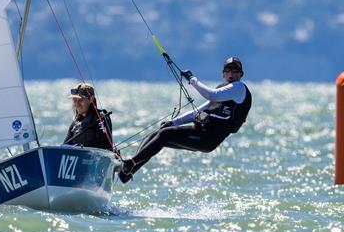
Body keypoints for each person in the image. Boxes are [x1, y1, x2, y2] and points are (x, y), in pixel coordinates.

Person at [118, 56, 252, 183]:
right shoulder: (225, 91)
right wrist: (173, 122)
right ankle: (127, 173)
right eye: (228, 70)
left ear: (241, 74)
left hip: (208, 139)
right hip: (200, 132)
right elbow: (197, 112)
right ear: (223, 74)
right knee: (158, 133)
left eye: (235, 71)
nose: (231, 74)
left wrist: (192, 79)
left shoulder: (238, 88)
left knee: (165, 134)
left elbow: (211, 95)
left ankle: (130, 163)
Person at [63, 82, 114, 151]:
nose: (77, 104)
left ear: (91, 99)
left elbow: (106, 147)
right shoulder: (75, 124)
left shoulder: (101, 117)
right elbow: (64, 147)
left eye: (80, 100)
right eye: (75, 100)